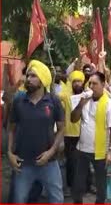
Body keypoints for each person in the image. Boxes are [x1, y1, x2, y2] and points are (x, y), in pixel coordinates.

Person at [8, 60, 65, 203]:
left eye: (33, 76)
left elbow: (61, 128)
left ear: (43, 79)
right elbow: (12, 128)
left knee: (56, 199)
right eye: (28, 75)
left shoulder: (53, 101)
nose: (28, 79)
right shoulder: (18, 99)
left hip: (49, 163)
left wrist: (51, 152)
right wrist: (10, 153)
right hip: (23, 163)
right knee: (19, 199)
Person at [71, 72, 111, 203]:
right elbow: (73, 119)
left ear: (103, 84)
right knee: (78, 184)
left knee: (101, 186)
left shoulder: (109, 104)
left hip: (100, 152)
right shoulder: (83, 100)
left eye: (95, 83)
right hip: (82, 149)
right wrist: (80, 104)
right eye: (89, 83)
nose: (91, 86)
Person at [58, 71, 85, 196]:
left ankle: (82, 186)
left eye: (80, 81)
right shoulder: (66, 95)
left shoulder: (87, 95)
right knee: (71, 162)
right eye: (75, 81)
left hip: (84, 134)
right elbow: (56, 95)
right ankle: (71, 187)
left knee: (83, 163)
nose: (77, 84)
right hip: (69, 135)